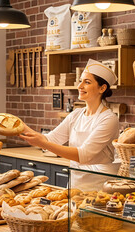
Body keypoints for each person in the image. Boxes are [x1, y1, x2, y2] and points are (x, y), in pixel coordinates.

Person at [20, 59, 120, 190]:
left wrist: (44, 143)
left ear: (102, 88)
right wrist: (11, 122)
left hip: (100, 185)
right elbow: (50, 139)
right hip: (75, 184)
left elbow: (83, 155)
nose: (79, 86)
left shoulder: (108, 119)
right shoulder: (76, 114)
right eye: (80, 81)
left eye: (87, 82)